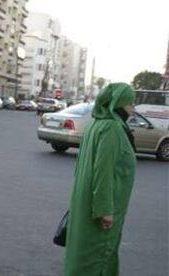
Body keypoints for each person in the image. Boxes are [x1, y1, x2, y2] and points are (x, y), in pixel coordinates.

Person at [64, 83, 137, 276]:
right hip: (102, 206)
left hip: (86, 199)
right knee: (98, 255)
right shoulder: (112, 128)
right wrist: (105, 210)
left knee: (85, 252)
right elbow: (103, 171)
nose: (133, 107)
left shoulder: (96, 123)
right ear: (119, 103)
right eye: (130, 102)